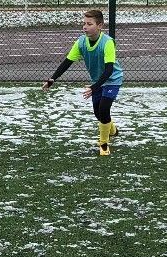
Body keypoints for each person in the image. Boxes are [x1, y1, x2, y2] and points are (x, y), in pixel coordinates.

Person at [41, 9, 123, 156]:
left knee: (104, 109)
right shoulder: (80, 42)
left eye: (89, 24)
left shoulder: (108, 42)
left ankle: (103, 144)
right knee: (98, 113)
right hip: (96, 82)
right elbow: (68, 61)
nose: (85, 27)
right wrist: (52, 79)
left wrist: (94, 87)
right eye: (84, 23)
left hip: (112, 80)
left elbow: (109, 69)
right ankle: (112, 130)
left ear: (100, 26)